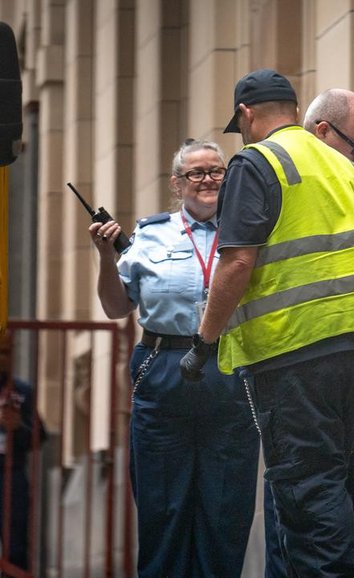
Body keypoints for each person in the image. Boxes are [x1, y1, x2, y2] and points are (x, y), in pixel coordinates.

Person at [179, 69, 354, 578]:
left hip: (294, 352)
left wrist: (204, 341)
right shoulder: (353, 171)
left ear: (246, 115)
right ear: (296, 111)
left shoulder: (257, 162)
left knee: (307, 491)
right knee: (337, 485)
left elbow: (237, 261)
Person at [89, 139, 260, 578]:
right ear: (176, 184)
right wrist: (106, 257)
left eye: (216, 171)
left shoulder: (249, 230)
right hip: (164, 366)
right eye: (195, 173)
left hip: (229, 366)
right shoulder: (150, 235)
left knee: (226, 505)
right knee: (162, 503)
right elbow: (115, 307)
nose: (207, 180)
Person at [302, 87, 354, 511]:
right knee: (309, 485)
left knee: (337, 481)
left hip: (351, 355)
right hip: (300, 357)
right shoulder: (281, 181)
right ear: (322, 131)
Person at [0, 333, 46, 572]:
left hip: (11, 475)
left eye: (6, 352)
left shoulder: (22, 390)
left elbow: (40, 436)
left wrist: (18, 427)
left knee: (15, 547)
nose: (2, 359)